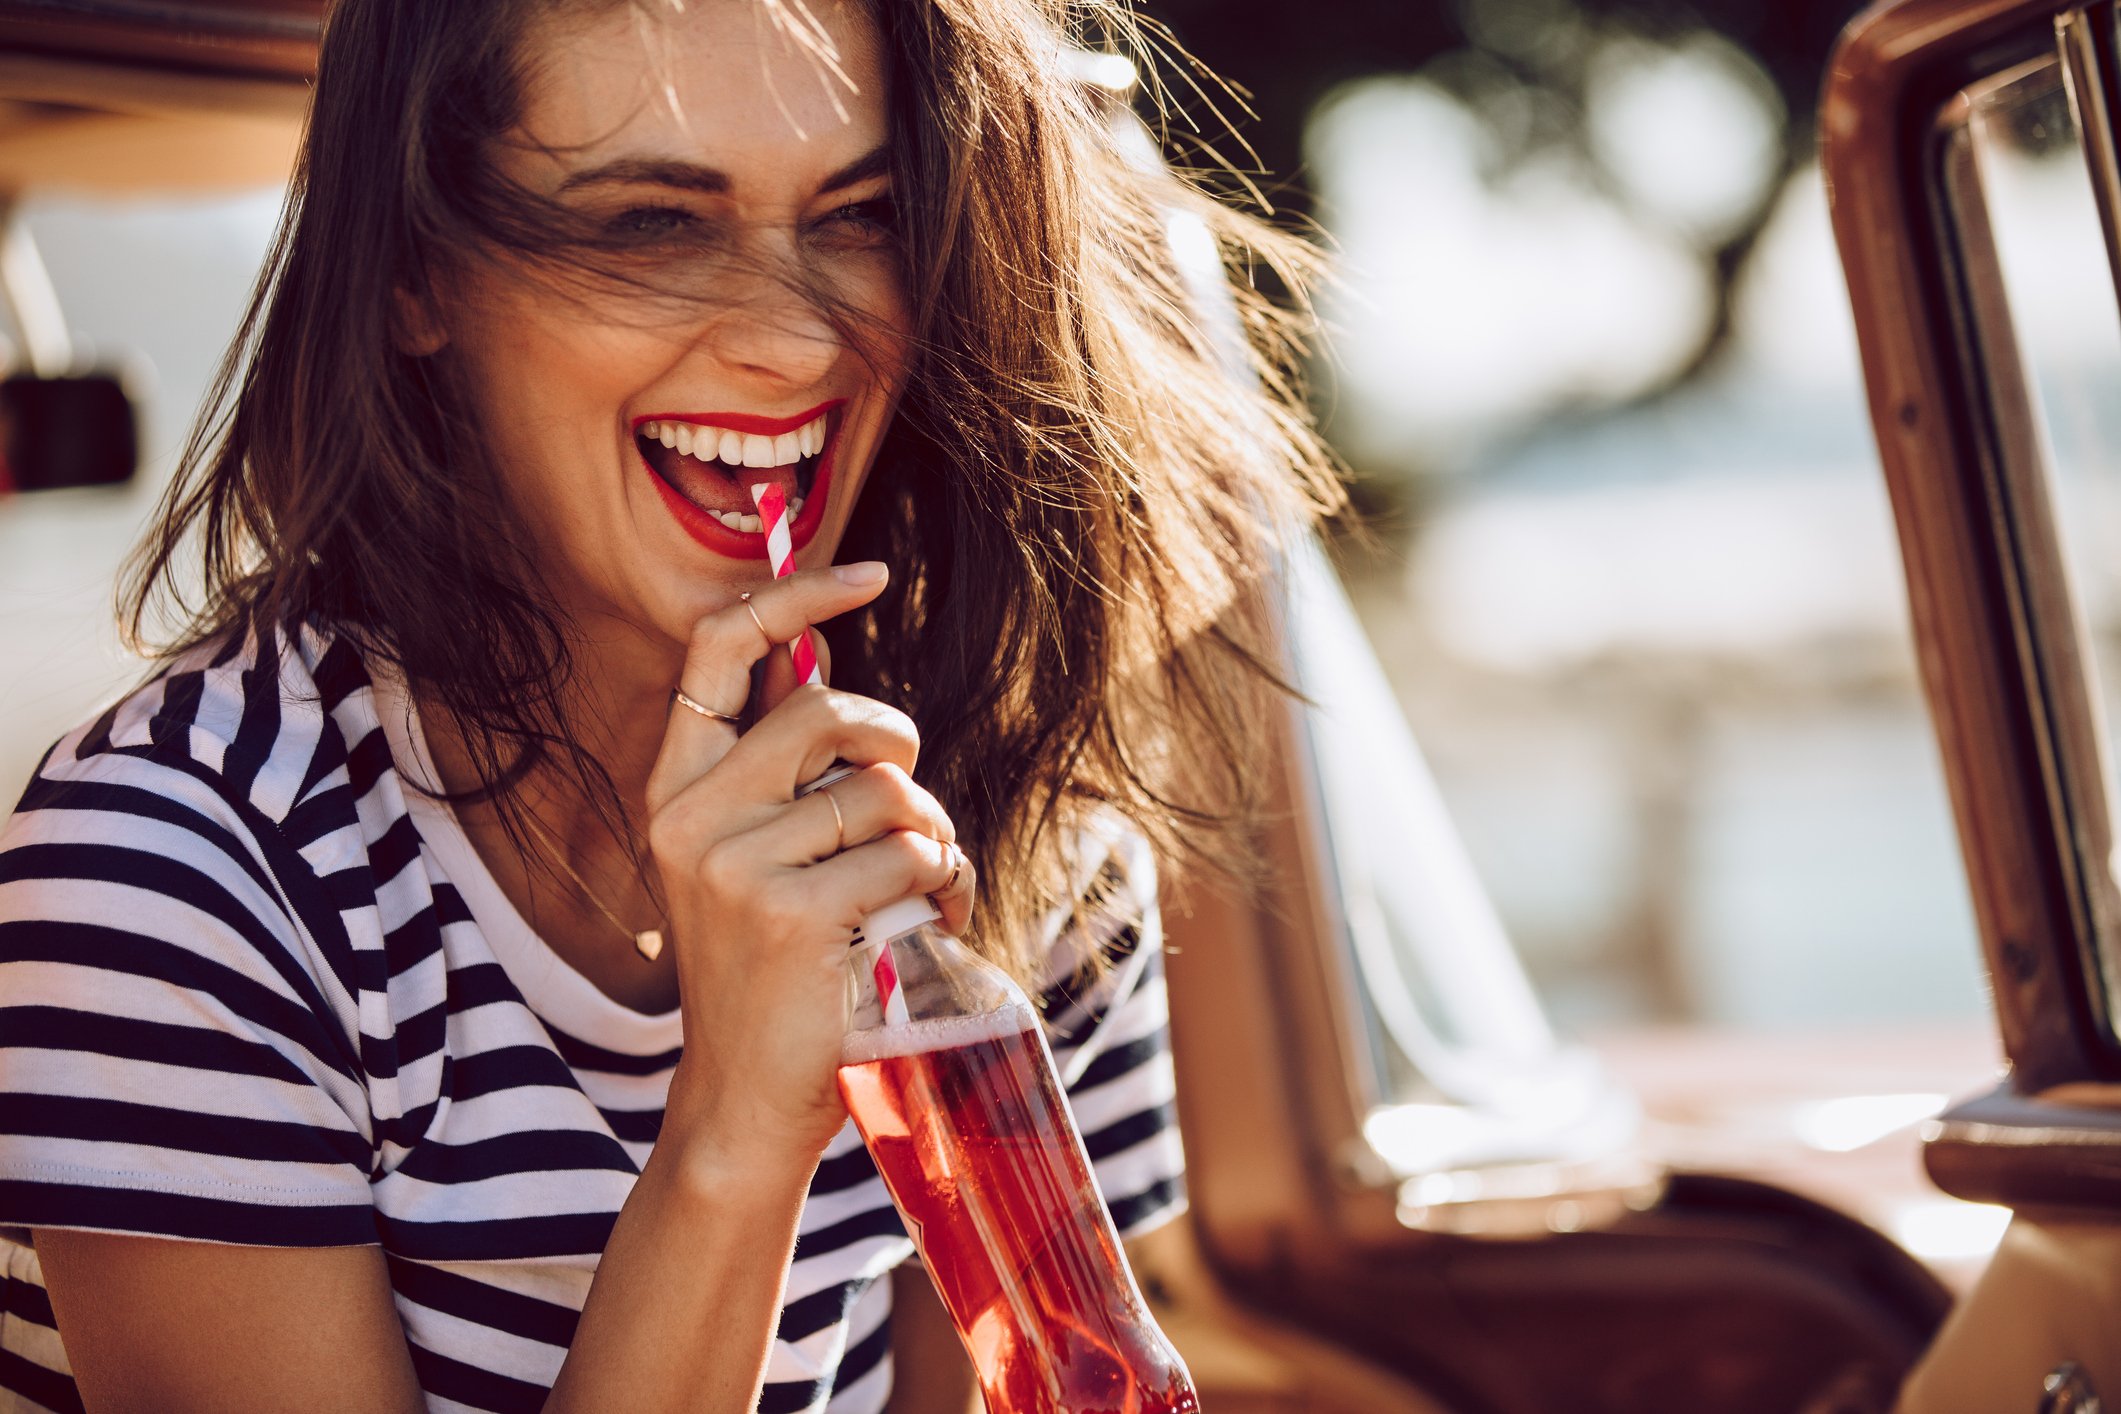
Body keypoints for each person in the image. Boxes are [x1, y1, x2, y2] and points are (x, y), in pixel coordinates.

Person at [0, 0, 1339, 1407]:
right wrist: (735, 1128)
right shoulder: (176, 884)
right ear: (414, 276)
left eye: (862, 214)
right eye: (650, 223)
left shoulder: (1008, 833)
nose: (792, 343)